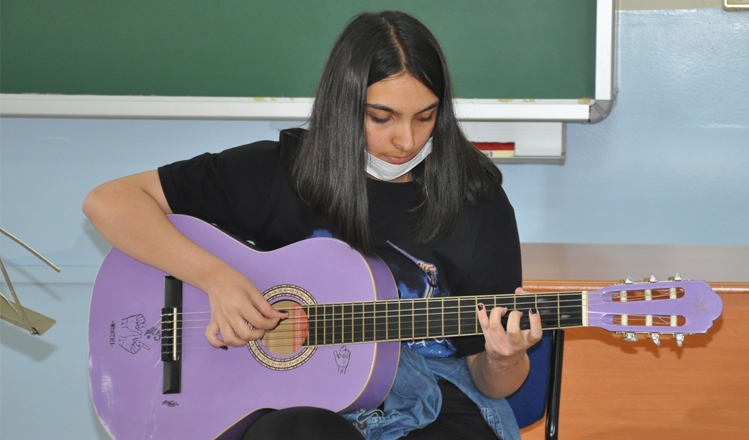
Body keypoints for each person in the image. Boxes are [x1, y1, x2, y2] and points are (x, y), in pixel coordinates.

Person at [83, 10, 542, 440]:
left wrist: (507, 356)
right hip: (278, 399)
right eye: (381, 118)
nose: (406, 139)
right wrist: (216, 278)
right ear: (343, 105)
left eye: (425, 117)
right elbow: (110, 202)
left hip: (427, 396)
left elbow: (493, 381)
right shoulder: (281, 172)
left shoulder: (474, 200)